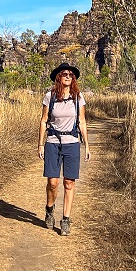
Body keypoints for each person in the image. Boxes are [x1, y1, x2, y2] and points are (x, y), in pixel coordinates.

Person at [38, 62, 90, 236]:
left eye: (70, 74)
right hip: (53, 141)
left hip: (72, 142)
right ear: (58, 77)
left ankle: (66, 219)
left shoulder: (78, 97)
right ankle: (49, 209)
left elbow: (82, 121)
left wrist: (87, 145)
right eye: (64, 74)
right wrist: (40, 143)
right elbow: (44, 120)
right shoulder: (50, 96)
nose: (68, 76)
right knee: (53, 183)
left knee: (69, 183)